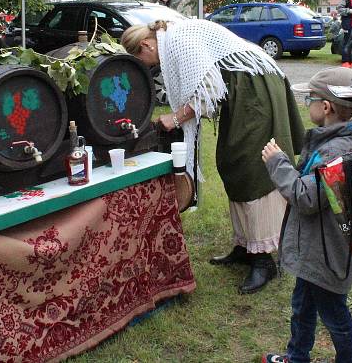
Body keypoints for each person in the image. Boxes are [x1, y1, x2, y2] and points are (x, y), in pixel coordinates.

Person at [121, 19, 304, 294]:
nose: (149, 66)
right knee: (232, 161)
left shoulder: (178, 40)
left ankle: (264, 259)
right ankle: (246, 246)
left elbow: (207, 94)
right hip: (242, 88)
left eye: (143, 59)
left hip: (256, 87)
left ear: (146, 44)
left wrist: (175, 118)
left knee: (252, 164)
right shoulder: (171, 38)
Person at [260, 67, 352, 363]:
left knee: (335, 317)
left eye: (310, 100)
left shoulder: (335, 153)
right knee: (302, 307)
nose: (308, 105)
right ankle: (297, 356)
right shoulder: (330, 143)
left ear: (326, 106)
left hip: (327, 255)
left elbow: (306, 197)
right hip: (315, 252)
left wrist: (278, 163)